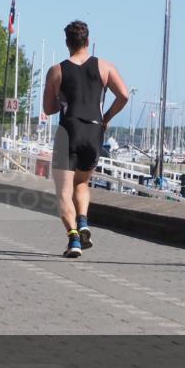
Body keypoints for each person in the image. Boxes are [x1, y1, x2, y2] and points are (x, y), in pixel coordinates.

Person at [42, 20, 129, 258]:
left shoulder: (56, 70)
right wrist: (106, 118)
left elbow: (48, 108)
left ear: (67, 43)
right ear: (87, 41)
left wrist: (61, 98)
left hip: (68, 131)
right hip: (93, 132)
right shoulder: (105, 67)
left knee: (63, 193)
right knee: (81, 183)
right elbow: (123, 95)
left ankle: (74, 239)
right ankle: (83, 222)